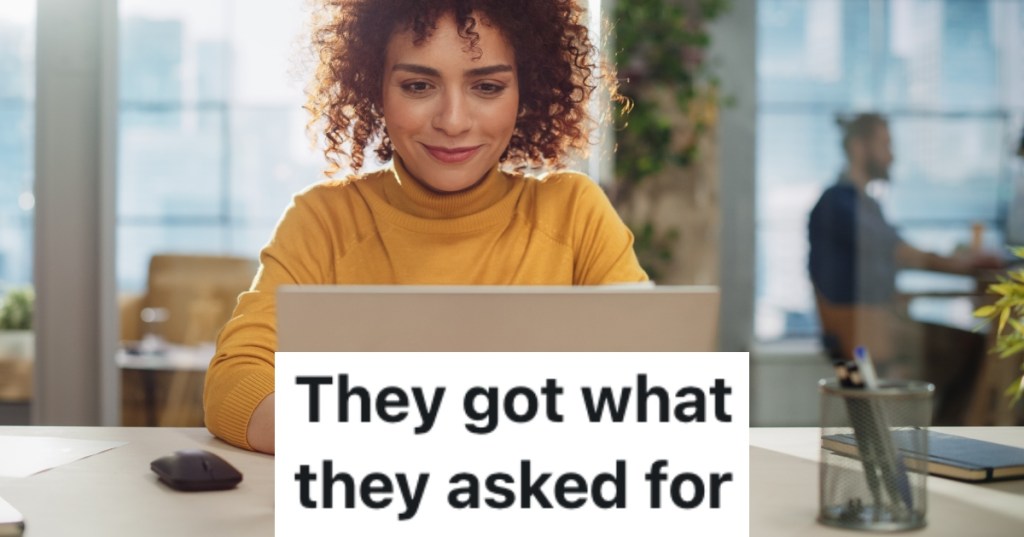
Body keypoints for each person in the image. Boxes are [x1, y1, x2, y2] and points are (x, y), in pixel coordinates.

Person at [203, 0, 648, 453]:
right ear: (374, 87)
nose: (453, 121)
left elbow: (650, 389)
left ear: (526, 91)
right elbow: (237, 382)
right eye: (418, 86)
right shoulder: (324, 221)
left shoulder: (573, 214)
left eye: (488, 87)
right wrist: (406, 443)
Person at [808, 113, 1003, 424]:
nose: (892, 155)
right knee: (974, 347)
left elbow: (890, 256)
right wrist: (960, 264)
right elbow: (898, 251)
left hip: (876, 323)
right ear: (859, 147)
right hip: (863, 331)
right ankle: (949, 438)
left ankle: (939, 437)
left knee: (969, 349)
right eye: (885, 144)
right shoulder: (839, 202)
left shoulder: (863, 204)